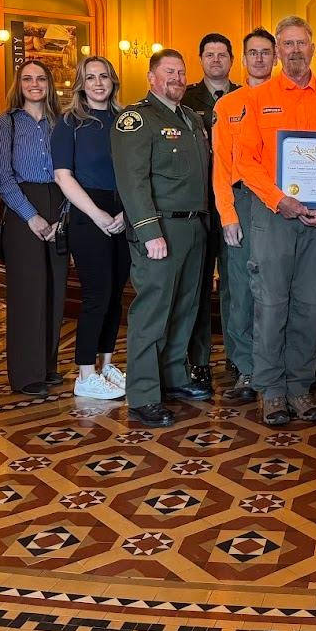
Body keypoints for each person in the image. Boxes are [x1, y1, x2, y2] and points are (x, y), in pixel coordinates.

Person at [237, 16, 316, 426]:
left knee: (307, 306)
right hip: (273, 219)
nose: (296, 50)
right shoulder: (257, 97)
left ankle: (299, 389)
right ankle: (271, 391)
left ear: (313, 48)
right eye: (288, 44)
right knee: (270, 303)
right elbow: (245, 159)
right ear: (277, 51)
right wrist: (279, 199)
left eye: (302, 43)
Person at [111, 49, 212, 428]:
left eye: (182, 72)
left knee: (184, 308)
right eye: (169, 71)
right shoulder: (137, 119)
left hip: (194, 227)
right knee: (152, 313)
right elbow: (132, 181)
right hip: (161, 228)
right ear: (151, 76)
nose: (177, 78)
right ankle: (143, 395)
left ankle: (173, 377)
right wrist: (149, 231)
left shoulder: (189, 118)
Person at [0, 61, 67, 397]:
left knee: (55, 289)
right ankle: (26, 374)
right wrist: (32, 216)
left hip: (60, 204)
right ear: (18, 85)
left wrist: (63, 214)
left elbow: (70, 172)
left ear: (50, 83)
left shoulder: (61, 122)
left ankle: (47, 367)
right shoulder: (4, 125)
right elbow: (2, 178)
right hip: (22, 209)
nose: (35, 85)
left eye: (41, 79)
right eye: (27, 79)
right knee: (28, 292)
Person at [52, 56, 128, 402]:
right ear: (81, 84)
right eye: (90, 77)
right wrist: (97, 214)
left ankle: (108, 364)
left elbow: (137, 170)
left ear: (113, 81)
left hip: (123, 212)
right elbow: (63, 175)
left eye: (104, 77)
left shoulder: (126, 120)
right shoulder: (69, 122)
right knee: (96, 294)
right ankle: (85, 373)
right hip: (87, 212)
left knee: (116, 294)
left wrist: (127, 211)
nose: (98, 83)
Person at [212, 28, 277, 404]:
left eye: (265, 52)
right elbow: (220, 164)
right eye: (252, 52)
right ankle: (246, 368)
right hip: (241, 201)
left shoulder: (286, 99)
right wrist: (227, 214)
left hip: (278, 203)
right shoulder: (228, 104)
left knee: (275, 287)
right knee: (240, 289)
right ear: (243, 57)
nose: (259, 58)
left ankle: (273, 363)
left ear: (275, 57)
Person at [181, 33, 237, 390]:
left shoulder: (246, 96)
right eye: (209, 54)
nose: (216, 59)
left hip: (233, 205)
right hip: (198, 207)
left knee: (236, 287)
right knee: (197, 288)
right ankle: (198, 360)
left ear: (232, 60)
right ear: (201, 59)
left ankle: (237, 356)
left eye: (222, 54)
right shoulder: (184, 98)